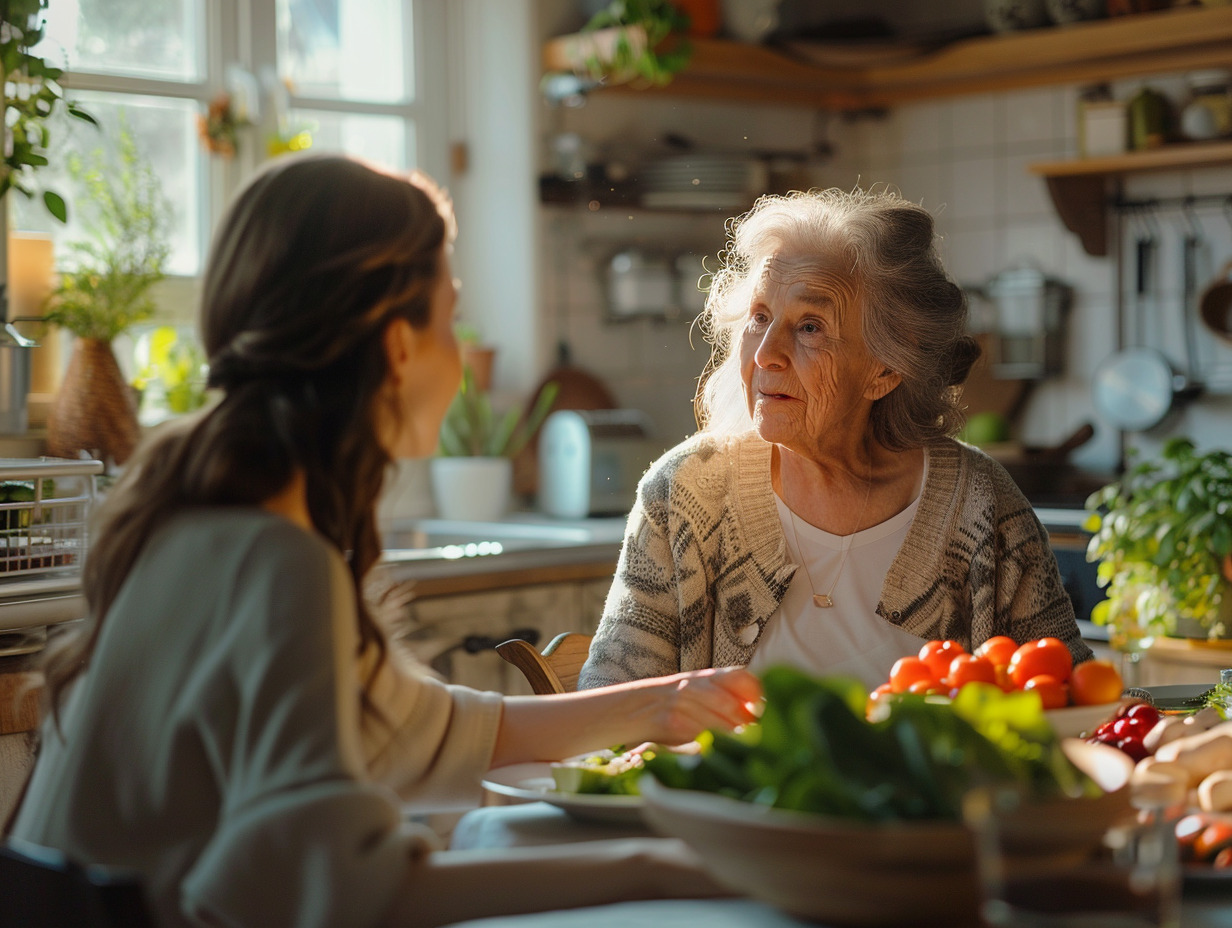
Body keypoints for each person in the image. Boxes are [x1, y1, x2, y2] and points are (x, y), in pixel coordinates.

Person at [5, 154, 762, 928]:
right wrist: (665, 866)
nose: (461, 356)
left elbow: (409, 730)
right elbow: (356, 895)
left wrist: (662, 703)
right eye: (449, 318)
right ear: (399, 346)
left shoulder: (197, 518)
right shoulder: (276, 560)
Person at [578, 187, 1093, 691]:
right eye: (760, 317)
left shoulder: (981, 504)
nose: (764, 355)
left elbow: (1069, 693)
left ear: (885, 370)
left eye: (809, 327)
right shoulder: (688, 494)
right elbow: (606, 703)